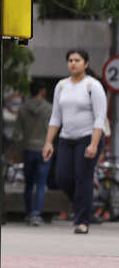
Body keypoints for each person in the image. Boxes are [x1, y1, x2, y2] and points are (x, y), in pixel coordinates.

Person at [43, 49, 107, 234]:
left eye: (77, 60)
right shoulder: (61, 86)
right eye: (70, 60)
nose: (73, 63)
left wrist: (94, 144)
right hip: (66, 138)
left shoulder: (92, 85)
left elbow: (100, 117)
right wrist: (48, 142)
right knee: (62, 178)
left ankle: (82, 221)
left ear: (86, 64)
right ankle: (84, 205)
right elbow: (56, 117)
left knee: (83, 179)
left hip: (88, 137)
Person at [13, 80, 53, 226]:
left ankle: (29, 214)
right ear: (42, 91)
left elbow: (16, 132)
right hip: (44, 149)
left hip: (28, 149)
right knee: (41, 184)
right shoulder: (49, 108)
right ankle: (37, 213)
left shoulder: (23, 109)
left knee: (28, 184)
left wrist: (15, 151)